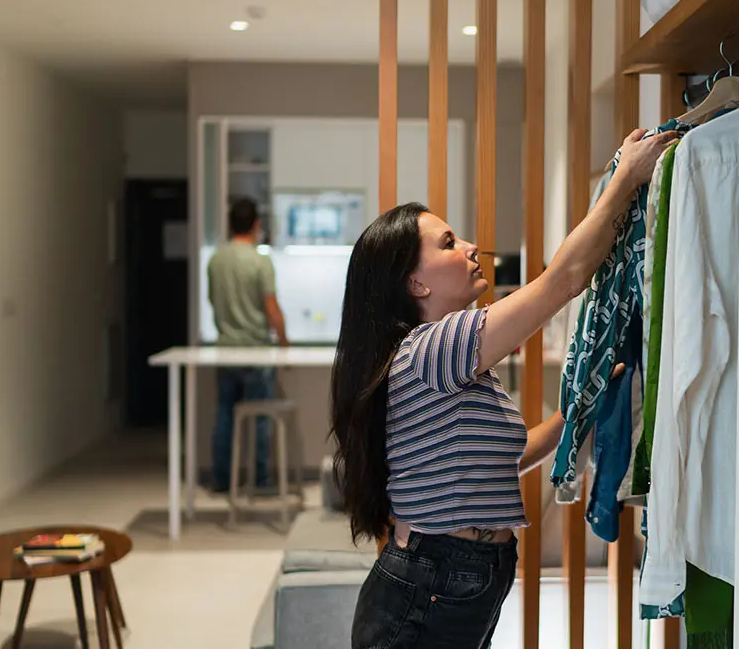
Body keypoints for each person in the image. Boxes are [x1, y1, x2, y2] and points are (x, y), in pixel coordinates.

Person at [331, 128, 678, 649]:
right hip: (431, 585)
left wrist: (582, 408)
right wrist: (627, 176)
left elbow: (508, 458)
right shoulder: (433, 347)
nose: (471, 248)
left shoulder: (448, 361)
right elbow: (564, 280)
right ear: (415, 284)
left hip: (458, 578)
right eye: (449, 243)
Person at [208, 198, 289, 493]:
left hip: (225, 351)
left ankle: (221, 480)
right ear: (256, 224)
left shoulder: (216, 260)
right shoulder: (260, 260)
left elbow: (213, 301)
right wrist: (284, 344)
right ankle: (260, 480)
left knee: (225, 416)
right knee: (260, 419)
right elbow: (272, 308)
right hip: (256, 352)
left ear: (230, 224)